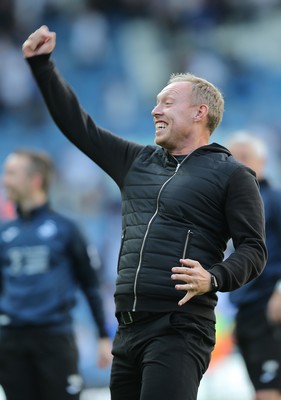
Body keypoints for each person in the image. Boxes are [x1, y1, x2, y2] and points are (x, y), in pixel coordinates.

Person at [21, 26, 267, 400]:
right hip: (127, 329)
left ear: (200, 112)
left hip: (180, 327)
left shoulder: (232, 174)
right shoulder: (136, 161)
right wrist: (42, 66)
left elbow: (254, 249)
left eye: (167, 102)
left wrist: (214, 277)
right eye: (155, 102)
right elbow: (78, 126)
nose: (155, 110)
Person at [0, 149, 112, 400]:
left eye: (11, 174)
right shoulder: (3, 234)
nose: (5, 180)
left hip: (54, 339)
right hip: (12, 342)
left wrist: (103, 336)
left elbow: (90, 285)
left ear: (35, 180)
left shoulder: (66, 230)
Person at [227, 131, 281, 400]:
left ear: (263, 161)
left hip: (269, 306)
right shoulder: (232, 204)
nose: (239, 164)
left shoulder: (274, 199)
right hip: (247, 310)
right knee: (260, 387)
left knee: (268, 390)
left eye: (245, 157)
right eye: (232, 158)